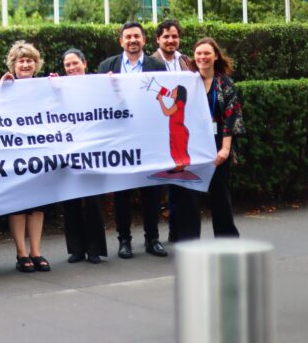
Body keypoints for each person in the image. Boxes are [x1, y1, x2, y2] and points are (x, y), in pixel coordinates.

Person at [98, 22, 168, 259]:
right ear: (121, 41)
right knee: (122, 193)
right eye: (128, 37)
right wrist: (106, 87)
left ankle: (153, 239)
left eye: (136, 36)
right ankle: (124, 241)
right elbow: (97, 103)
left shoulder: (157, 66)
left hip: (148, 137)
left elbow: (165, 98)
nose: (132, 40)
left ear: (144, 40)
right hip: (120, 138)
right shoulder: (107, 66)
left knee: (151, 190)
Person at [0, 41, 51, 273]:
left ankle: (36, 251)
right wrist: (0, 88)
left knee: (38, 204)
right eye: (21, 60)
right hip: (15, 153)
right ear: (14, 64)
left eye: (30, 60)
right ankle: (21, 252)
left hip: (39, 152)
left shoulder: (45, 86)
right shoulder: (5, 86)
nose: (26, 64)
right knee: (19, 203)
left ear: (36, 63)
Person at [187, 37, 243, 238]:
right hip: (193, 146)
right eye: (199, 53)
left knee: (220, 197)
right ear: (194, 56)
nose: (202, 57)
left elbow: (231, 118)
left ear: (216, 56)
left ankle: (226, 240)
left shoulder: (225, 84)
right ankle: (189, 242)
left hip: (218, 145)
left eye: (207, 53)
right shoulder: (189, 82)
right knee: (191, 197)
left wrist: (225, 150)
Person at [59, 49, 108, 264]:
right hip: (67, 149)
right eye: (67, 65)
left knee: (92, 201)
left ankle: (94, 248)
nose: (71, 68)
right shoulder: (59, 89)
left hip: (92, 149)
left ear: (85, 64)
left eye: (74, 63)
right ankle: (76, 249)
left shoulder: (97, 86)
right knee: (70, 200)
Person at [153, 19, 191, 242]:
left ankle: (177, 231)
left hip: (179, 127)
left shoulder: (186, 61)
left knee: (180, 181)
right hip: (158, 130)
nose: (171, 40)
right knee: (158, 186)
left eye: (174, 36)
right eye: (166, 36)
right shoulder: (151, 62)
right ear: (158, 39)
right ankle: (155, 236)